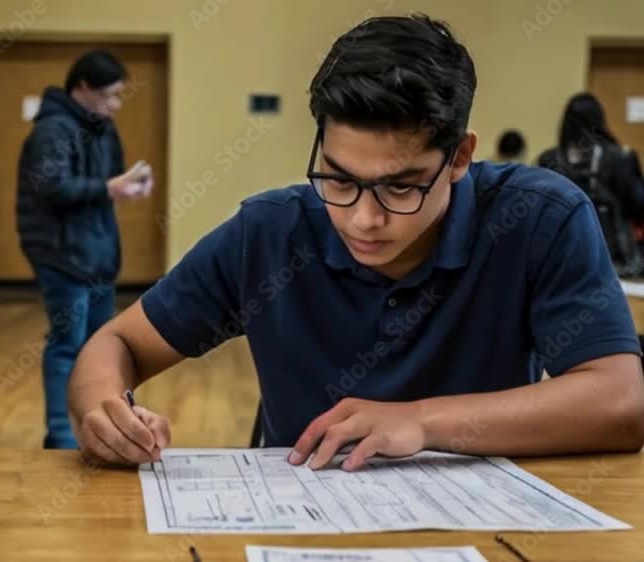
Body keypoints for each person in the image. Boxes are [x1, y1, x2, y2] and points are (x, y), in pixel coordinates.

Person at [67, 15, 644, 470]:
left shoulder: (539, 217)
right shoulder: (271, 232)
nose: (364, 219)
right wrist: (101, 411)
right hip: (304, 519)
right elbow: (116, 345)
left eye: (401, 187)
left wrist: (420, 422)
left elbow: (620, 402)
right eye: (338, 179)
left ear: (459, 158)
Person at [17, 49, 153, 449]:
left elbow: (111, 180)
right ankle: (61, 437)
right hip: (61, 255)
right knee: (66, 346)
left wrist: (131, 184)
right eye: (109, 95)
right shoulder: (52, 130)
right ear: (83, 88)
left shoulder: (102, 127)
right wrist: (111, 188)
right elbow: (51, 187)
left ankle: (102, 429)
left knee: (101, 348)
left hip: (97, 254)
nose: (114, 105)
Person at [537, 93, 644, 276]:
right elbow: (639, 205)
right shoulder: (617, 158)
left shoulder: (549, 160)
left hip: (559, 259)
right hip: (613, 261)